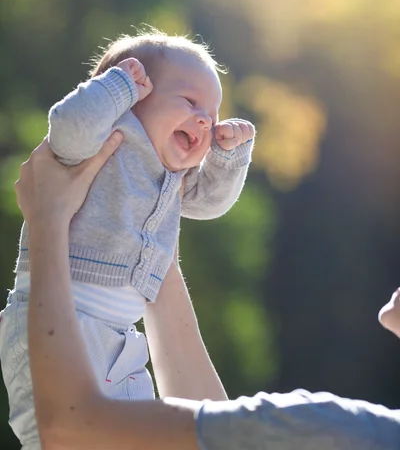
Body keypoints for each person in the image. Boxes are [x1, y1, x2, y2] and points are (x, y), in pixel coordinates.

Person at [9, 135, 400, 449]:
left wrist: (48, 221)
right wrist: (154, 236)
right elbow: (209, 427)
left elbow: (69, 432)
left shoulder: (350, 433)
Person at [0, 30, 255, 448]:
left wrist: (229, 157)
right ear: (136, 97)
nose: (206, 120)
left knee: (134, 437)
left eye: (211, 113)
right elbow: (66, 127)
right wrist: (116, 86)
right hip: (51, 317)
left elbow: (210, 204)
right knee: (55, 436)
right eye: (191, 103)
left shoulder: (172, 177)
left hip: (121, 338)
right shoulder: (108, 137)